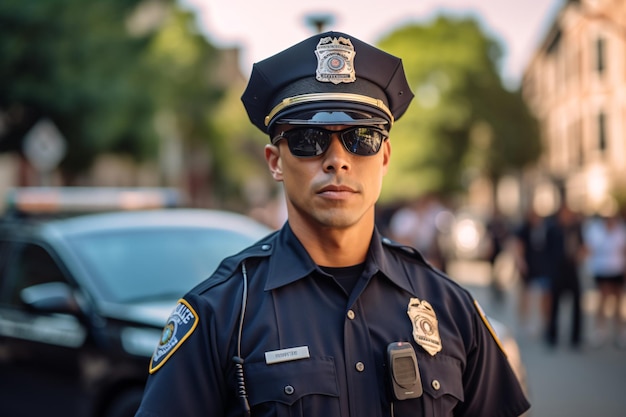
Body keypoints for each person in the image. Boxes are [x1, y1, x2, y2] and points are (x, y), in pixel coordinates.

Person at [135, 31, 530, 417]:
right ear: (275, 161)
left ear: (385, 157)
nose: (337, 160)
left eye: (361, 138)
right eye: (309, 139)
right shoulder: (222, 313)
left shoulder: (450, 306)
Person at [583, 207, 626, 348]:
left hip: (617, 269)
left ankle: (620, 332)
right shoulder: (595, 230)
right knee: (603, 299)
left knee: (618, 301)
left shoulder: (621, 229)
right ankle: (600, 330)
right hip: (602, 269)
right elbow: (590, 249)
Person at [544, 202, 586, 348]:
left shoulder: (576, 229)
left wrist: (580, 256)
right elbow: (547, 251)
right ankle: (552, 335)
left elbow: (582, 246)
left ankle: (576, 337)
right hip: (557, 271)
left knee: (577, 304)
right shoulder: (552, 229)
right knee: (555, 304)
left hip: (572, 269)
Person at [511, 206, 551, 338]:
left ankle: (544, 323)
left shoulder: (546, 229)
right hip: (529, 267)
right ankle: (525, 323)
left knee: (544, 296)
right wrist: (521, 263)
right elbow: (518, 247)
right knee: (526, 296)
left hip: (542, 267)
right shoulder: (524, 230)